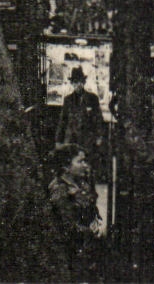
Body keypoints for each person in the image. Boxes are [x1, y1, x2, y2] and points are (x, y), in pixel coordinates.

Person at [49, 144, 101, 279]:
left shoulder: (83, 185)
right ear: (66, 166)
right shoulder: (59, 189)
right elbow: (66, 226)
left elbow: (93, 210)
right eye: (80, 161)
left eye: (85, 161)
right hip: (70, 253)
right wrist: (90, 231)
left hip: (87, 249)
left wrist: (98, 222)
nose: (85, 165)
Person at [56, 66, 104, 175]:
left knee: (87, 170)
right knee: (71, 169)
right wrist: (58, 140)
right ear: (72, 83)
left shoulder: (92, 98)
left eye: (81, 82)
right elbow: (62, 121)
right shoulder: (68, 100)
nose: (78, 85)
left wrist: (99, 137)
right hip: (71, 141)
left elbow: (98, 119)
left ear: (84, 82)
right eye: (75, 82)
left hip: (87, 141)